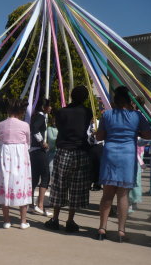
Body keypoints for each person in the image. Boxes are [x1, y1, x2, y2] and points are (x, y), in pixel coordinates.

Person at [96, 87, 151, 242]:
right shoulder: (137, 116)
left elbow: (100, 136)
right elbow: (149, 134)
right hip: (127, 156)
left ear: (115, 100)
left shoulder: (106, 115)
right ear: (129, 100)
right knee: (123, 194)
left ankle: (102, 228)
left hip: (109, 155)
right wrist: (136, 133)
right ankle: (121, 231)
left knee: (107, 194)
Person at [45, 86, 93, 232]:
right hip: (80, 151)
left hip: (64, 150)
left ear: (71, 96)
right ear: (85, 98)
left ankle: (55, 219)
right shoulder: (87, 112)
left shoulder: (61, 112)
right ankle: (70, 221)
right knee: (76, 188)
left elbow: (60, 127)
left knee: (59, 185)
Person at [0, 98, 32, 229]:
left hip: (5, 156)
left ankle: (6, 220)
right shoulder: (25, 125)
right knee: (22, 185)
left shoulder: (0, 124)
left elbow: (0, 139)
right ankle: (23, 221)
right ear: (21, 111)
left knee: (5, 184)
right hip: (20, 158)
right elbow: (28, 142)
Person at [29, 98, 53, 216]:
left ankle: (30, 205)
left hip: (33, 151)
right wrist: (42, 141)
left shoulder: (35, 116)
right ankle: (40, 205)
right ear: (44, 107)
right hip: (39, 150)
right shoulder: (40, 117)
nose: (51, 108)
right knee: (45, 176)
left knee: (34, 177)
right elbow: (34, 129)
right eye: (49, 106)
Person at [87, 116, 104, 191]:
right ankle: (88, 183)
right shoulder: (87, 124)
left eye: (93, 117)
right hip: (90, 146)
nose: (92, 119)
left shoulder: (99, 123)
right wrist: (91, 135)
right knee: (90, 166)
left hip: (99, 146)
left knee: (98, 165)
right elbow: (86, 135)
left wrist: (97, 133)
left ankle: (97, 184)